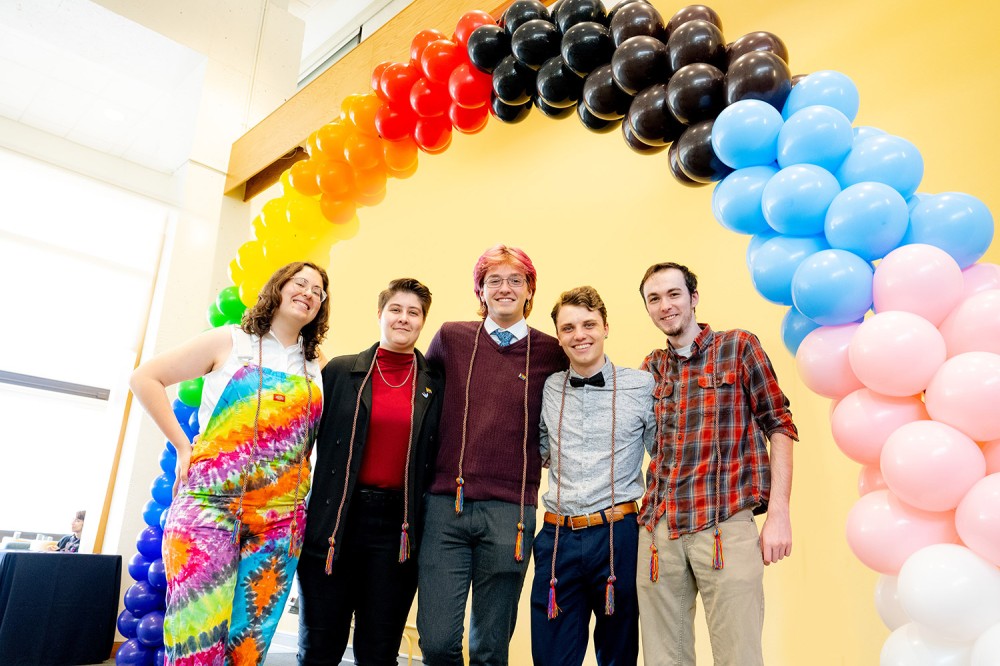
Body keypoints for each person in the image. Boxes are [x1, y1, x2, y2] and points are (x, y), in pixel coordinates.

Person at [129, 261, 329, 666]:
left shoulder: (315, 365)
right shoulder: (229, 341)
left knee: (249, 648)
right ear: (278, 287)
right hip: (208, 509)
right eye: (300, 283)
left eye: (318, 291)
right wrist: (184, 447)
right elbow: (145, 378)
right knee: (195, 641)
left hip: (280, 522)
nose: (308, 292)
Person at [635, 262, 798, 666]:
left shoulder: (739, 346)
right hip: (660, 532)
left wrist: (778, 513)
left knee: (738, 657)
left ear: (693, 298)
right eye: (654, 299)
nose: (665, 306)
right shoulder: (650, 369)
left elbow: (780, 424)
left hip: (725, 524)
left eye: (674, 294)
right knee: (663, 659)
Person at [417, 244, 567, 666]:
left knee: (489, 650)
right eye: (493, 280)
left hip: (511, 513)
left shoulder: (552, 353)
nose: (504, 288)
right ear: (480, 291)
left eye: (515, 280)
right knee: (438, 643)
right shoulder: (450, 338)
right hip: (446, 505)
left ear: (529, 290)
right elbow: (422, 409)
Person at [297, 278, 443, 666]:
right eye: (396, 309)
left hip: (398, 530)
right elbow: (303, 440)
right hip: (335, 521)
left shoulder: (436, 384)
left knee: (378, 651)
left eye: (414, 312)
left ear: (423, 322)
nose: (403, 318)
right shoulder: (340, 373)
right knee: (319, 646)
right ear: (380, 314)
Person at [530, 287, 654, 666]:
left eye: (588, 324)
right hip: (557, 540)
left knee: (618, 655)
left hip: (618, 535)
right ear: (559, 336)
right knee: (552, 657)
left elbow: (665, 458)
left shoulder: (642, 385)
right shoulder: (548, 387)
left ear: (605, 327)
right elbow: (540, 450)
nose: (579, 334)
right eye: (568, 328)